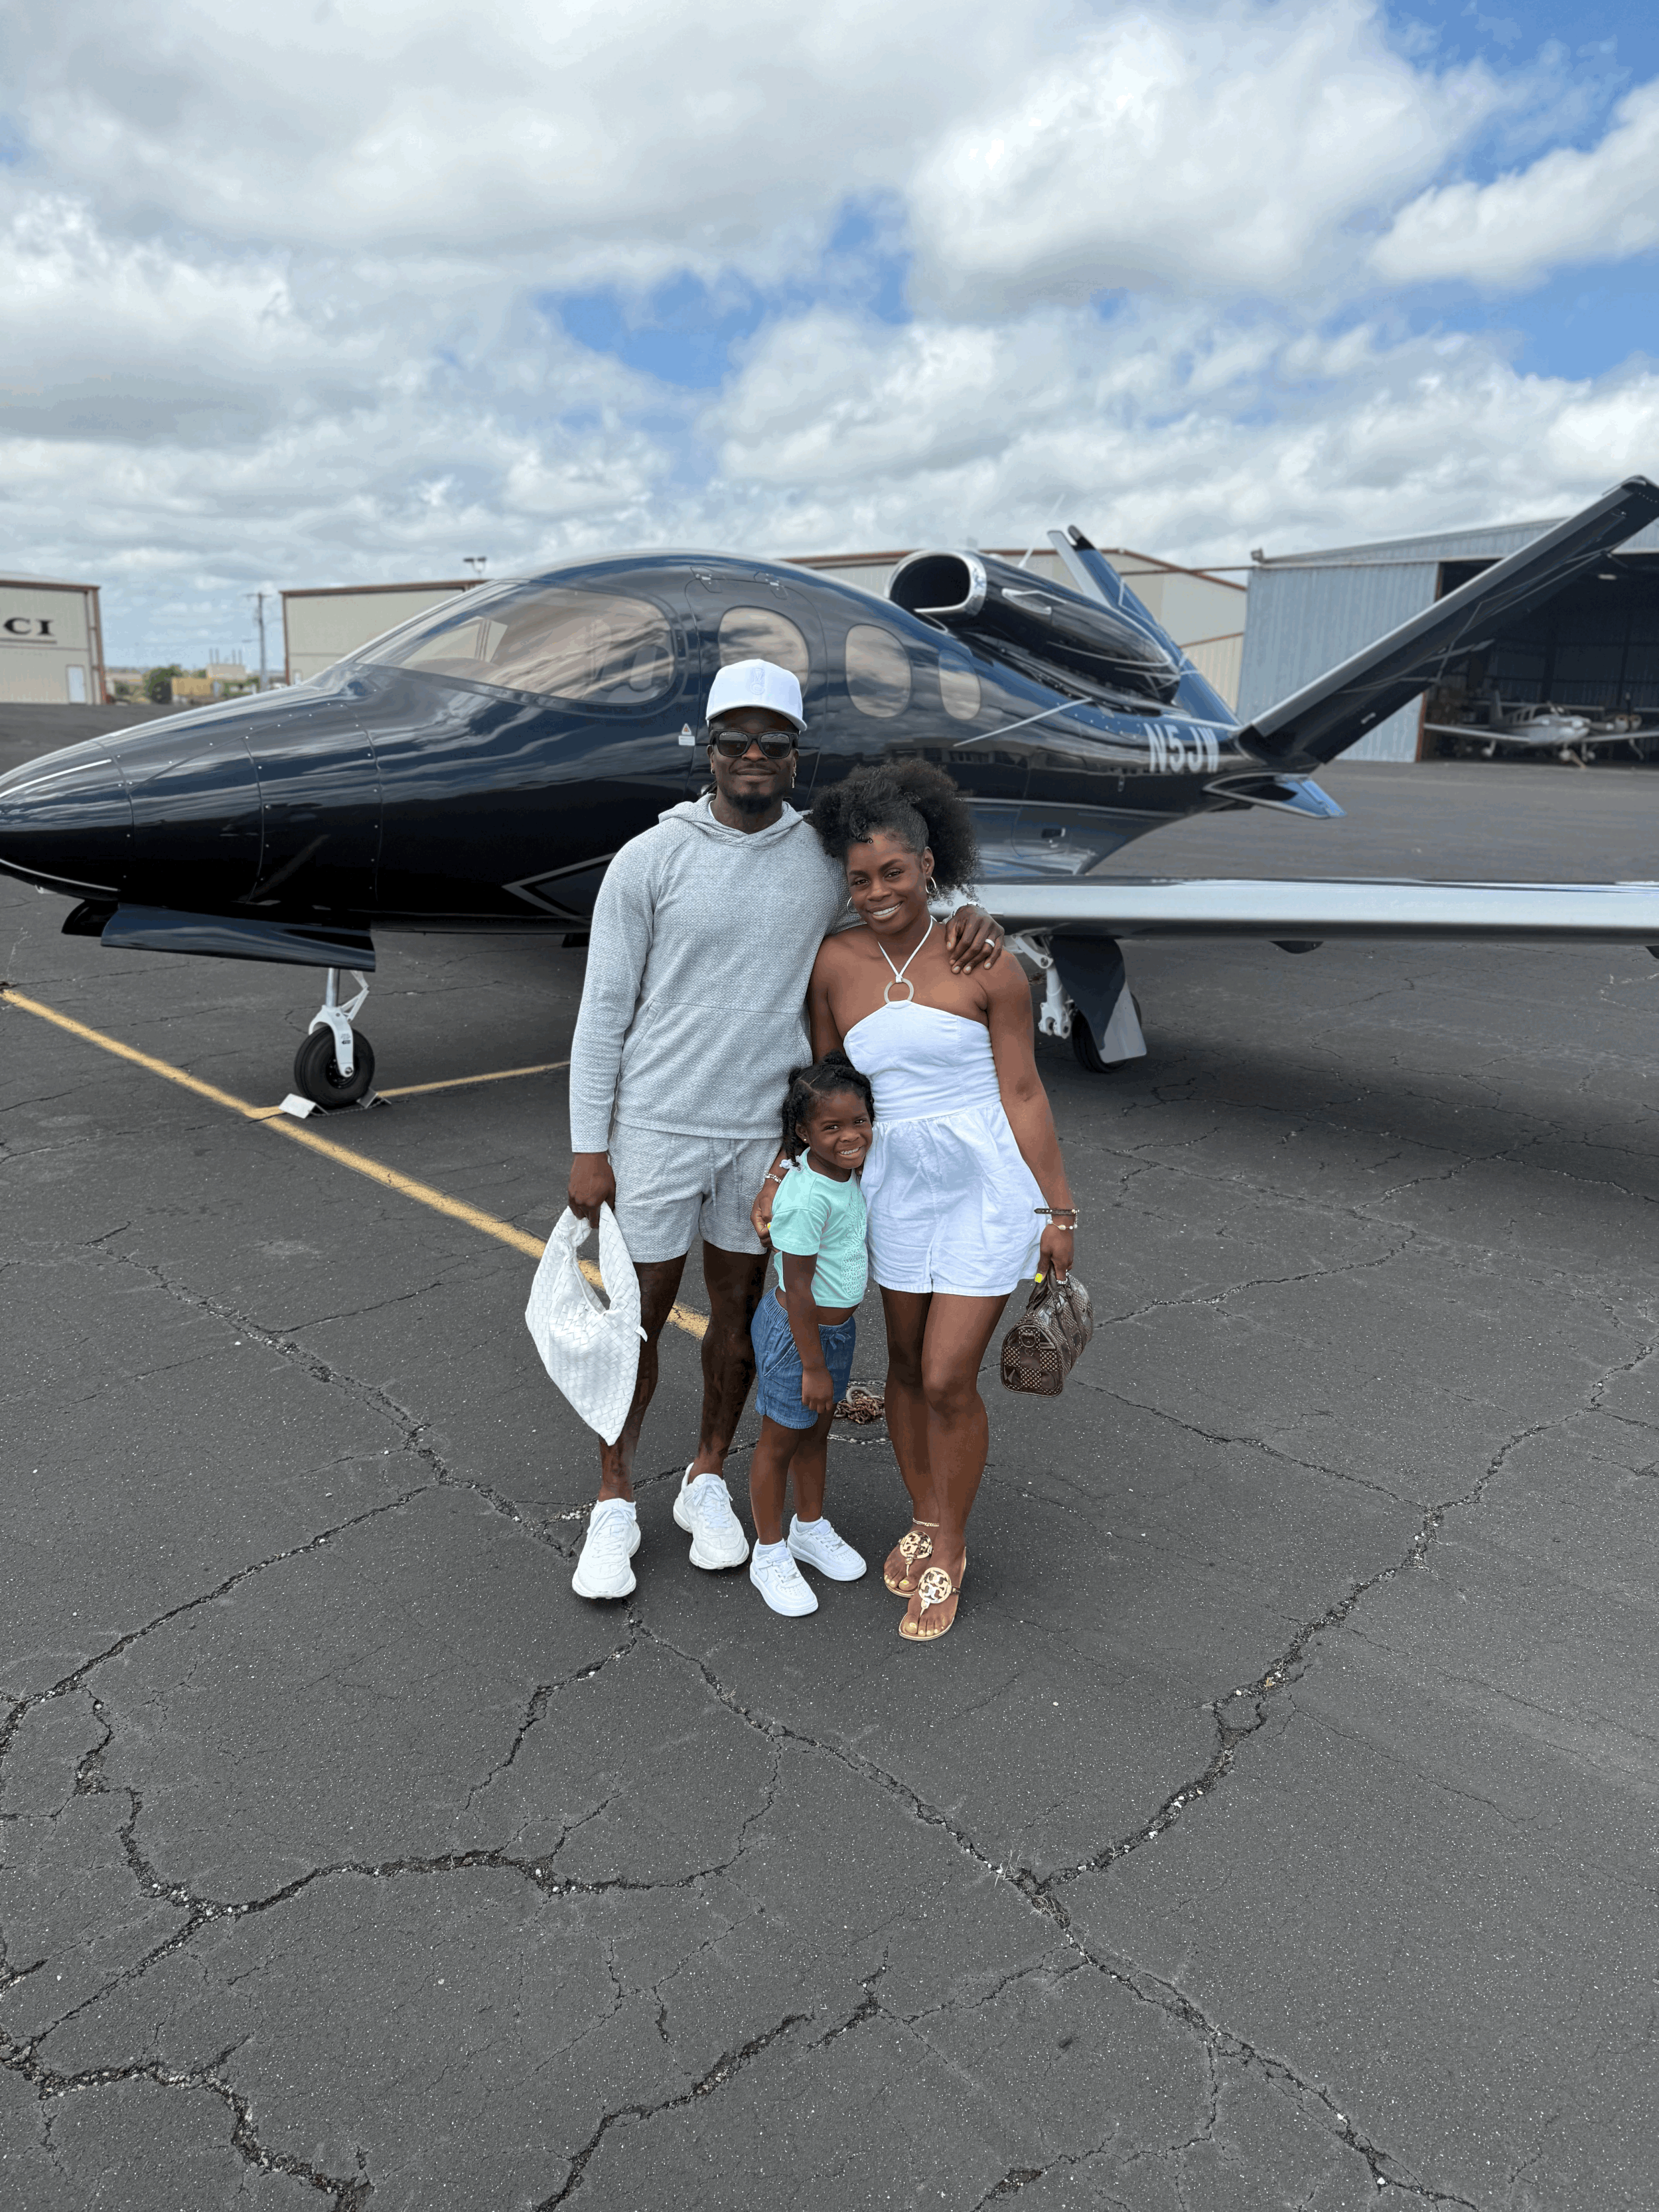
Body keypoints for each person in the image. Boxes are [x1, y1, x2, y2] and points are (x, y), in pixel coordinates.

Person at [563, 658, 1007, 1601]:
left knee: (739, 1320)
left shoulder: (817, 858)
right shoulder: (650, 859)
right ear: (709, 751)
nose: (754, 756)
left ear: (798, 758)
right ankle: (612, 1501)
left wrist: (977, 913)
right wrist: (588, 1145)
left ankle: (706, 1477)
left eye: (774, 742)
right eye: (736, 741)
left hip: (761, 1138)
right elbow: (602, 1012)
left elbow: (901, 903)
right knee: (633, 1321)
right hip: (655, 1126)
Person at [796, 760, 1077, 1643]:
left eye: (895, 872)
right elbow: (831, 1088)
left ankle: (949, 1543)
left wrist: (1058, 1211)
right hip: (894, 1189)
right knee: (909, 1367)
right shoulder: (835, 963)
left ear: (930, 864)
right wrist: (804, 1182)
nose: (879, 891)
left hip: (985, 1189)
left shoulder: (985, 957)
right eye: (860, 877)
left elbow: (1025, 1093)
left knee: (952, 1373)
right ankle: (924, 1513)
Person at [746, 1054, 875, 1618]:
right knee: (780, 1441)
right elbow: (797, 1289)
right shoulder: (805, 1196)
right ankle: (769, 1551)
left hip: (834, 1332)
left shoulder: (844, 1173)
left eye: (859, 1121)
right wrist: (813, 1365)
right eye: (832, 1127)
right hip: (796, 1337)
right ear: (802, 1134)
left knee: (816, 1431)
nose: (850, 1135)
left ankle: (809, 1527)